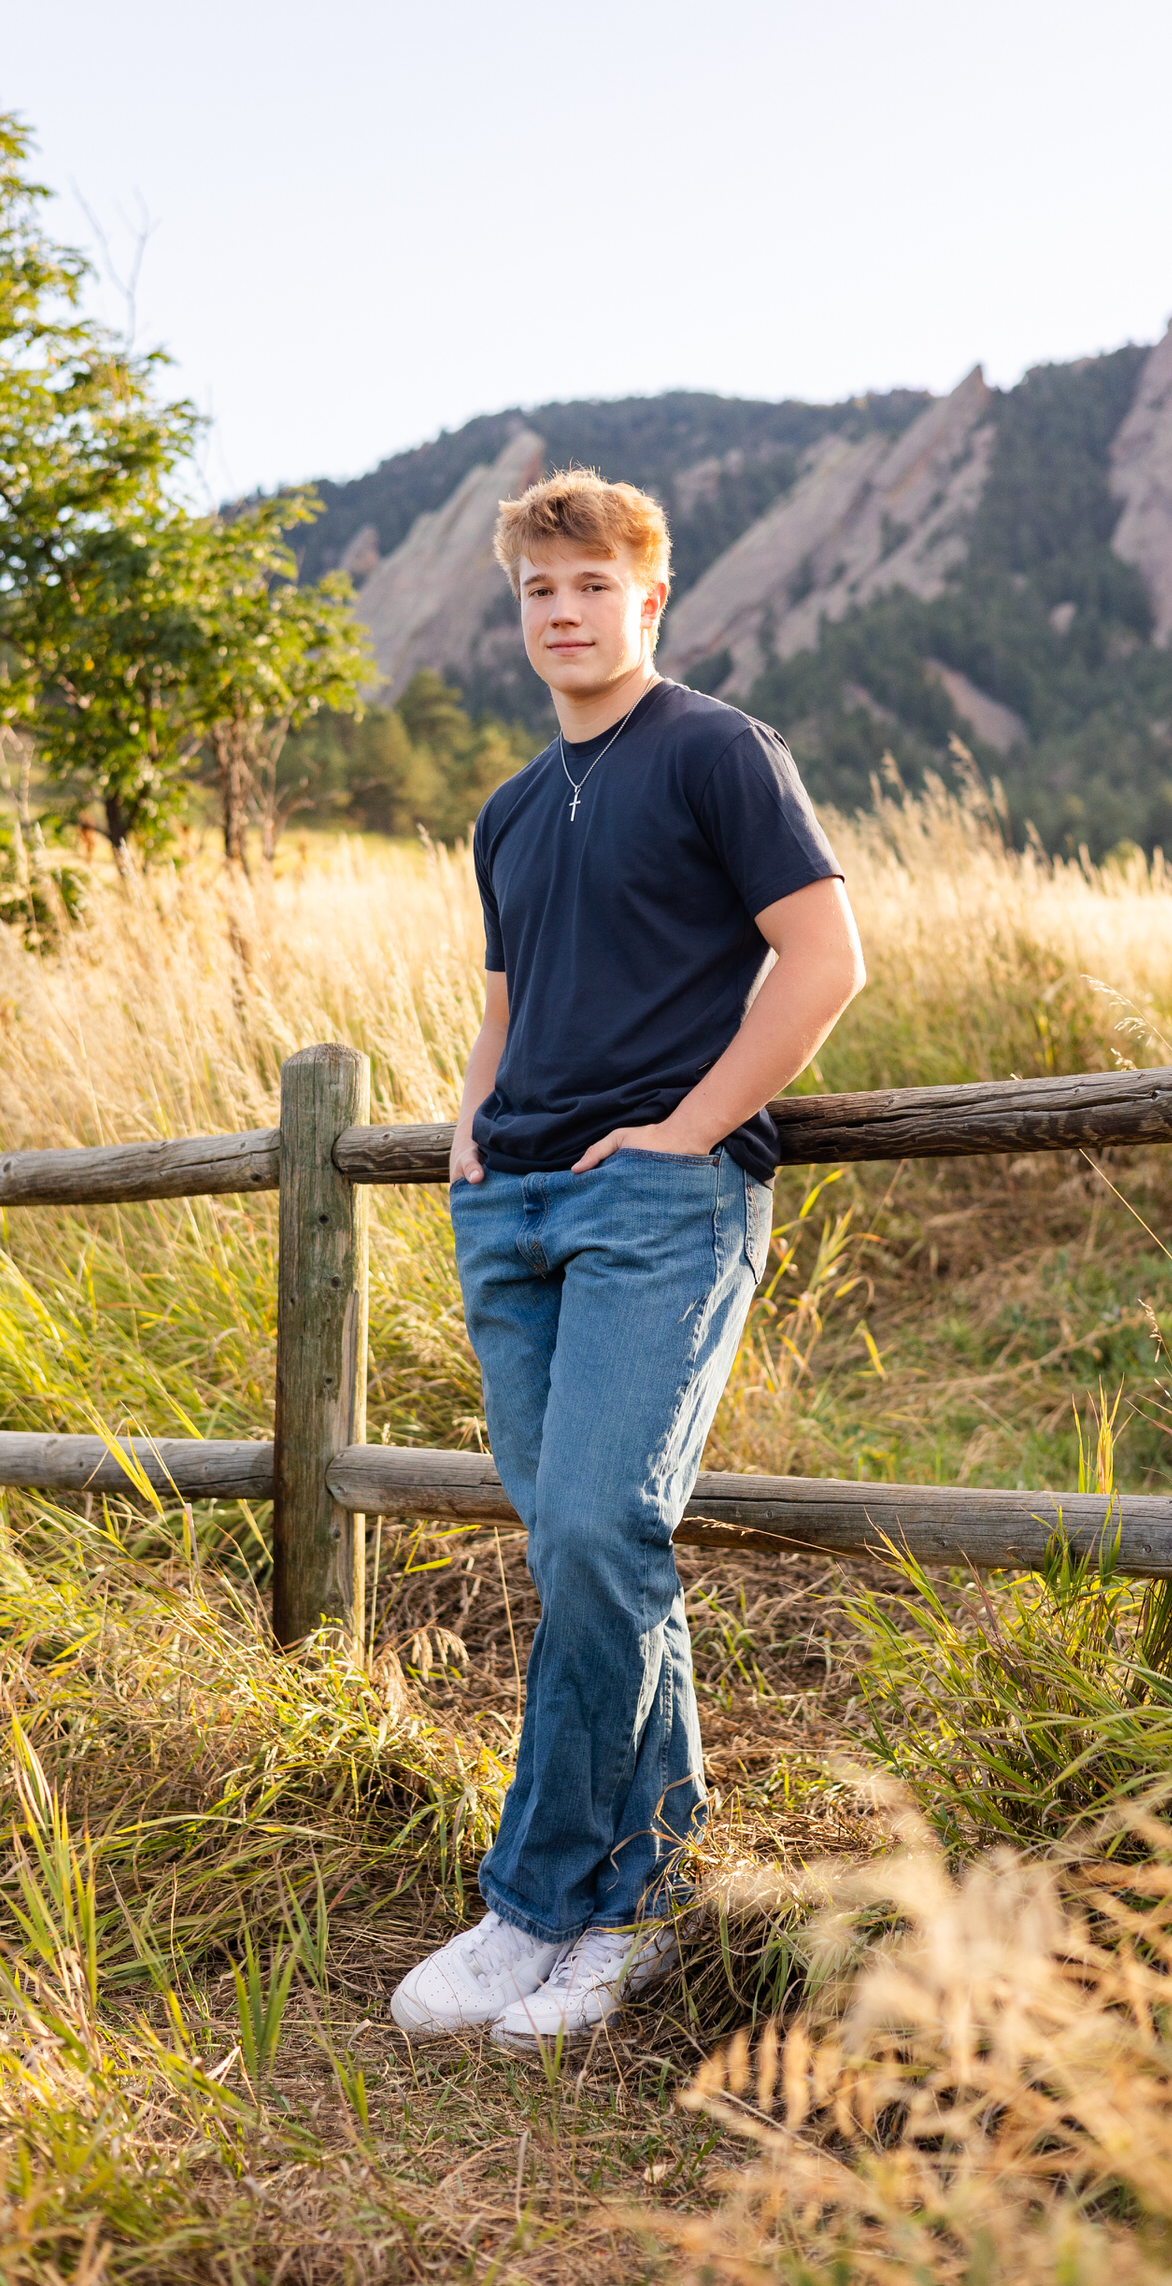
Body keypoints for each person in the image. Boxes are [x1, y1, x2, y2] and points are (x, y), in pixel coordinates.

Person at [390, 468, 864, 2052]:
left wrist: (687, 1131)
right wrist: (468, 1122)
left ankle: (534, 1900)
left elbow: (824, 959)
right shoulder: (512, 809)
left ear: (649, 600)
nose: (565, 613)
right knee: (585, 1553)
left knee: (598, 1525)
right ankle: (641, 1903)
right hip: (511, 1206)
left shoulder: (719, 752)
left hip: (659, 1205)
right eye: (538, 591)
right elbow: (512, 999)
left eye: (592, 587)